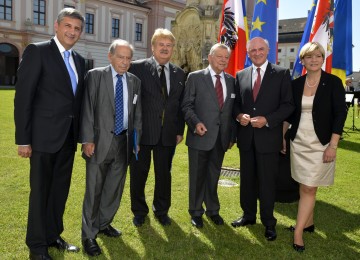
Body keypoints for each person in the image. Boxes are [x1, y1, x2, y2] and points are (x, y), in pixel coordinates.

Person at [14, 8, 85, 260]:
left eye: (77, 28)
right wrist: (23, 139)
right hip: (42, 139)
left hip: (67, 139)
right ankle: (36, 245)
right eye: (68, 26)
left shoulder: (78, 60)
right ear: (56, 26)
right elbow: (23, 98)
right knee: (41, 192)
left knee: (59, 191)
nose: (72, 32)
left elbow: (77, 102)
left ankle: (53, 235)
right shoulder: (38, 51)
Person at [80, 39, 142, 256]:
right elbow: (87, 109)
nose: (124, 62)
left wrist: (136, 142)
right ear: (110, 56)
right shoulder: (95, 76)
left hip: (123, 143)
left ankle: (104, 224)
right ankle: (89, 235)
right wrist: (87, 139)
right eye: (120, 57)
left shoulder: (134, 81)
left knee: (113, 188)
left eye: (128, 58)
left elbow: (138, 115)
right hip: (98, 143)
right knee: (94, 191)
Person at [284, 42, 347, 252]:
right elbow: (290, 114)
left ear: (323, 58)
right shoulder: (296, 84)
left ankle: (298, 232)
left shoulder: (333, 82)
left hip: (322, 144)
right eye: (309, 57)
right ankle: (308, 223)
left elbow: (340, 114)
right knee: (305, 185)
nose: (314, 60)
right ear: (302, 60)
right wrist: (283, 137)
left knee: (310, 187)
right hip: (299, 142)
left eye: (318, 56)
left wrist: (333, 146)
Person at [231, 37, 295, 241]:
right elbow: (236, 105)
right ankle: (248, 216)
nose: (256, 53)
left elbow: (288, 105)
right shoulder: (240, 75)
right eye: (252, 50)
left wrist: (267, 120)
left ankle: (269, 222)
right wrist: (239, 116)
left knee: (267, 183)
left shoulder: (282, 73)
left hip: (268, 138)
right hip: (247, 139)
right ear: (248, 53)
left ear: (268, 50)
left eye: (260, 49)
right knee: (247, 181)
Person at [128, 28, 185, 227]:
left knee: (164, 175)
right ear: (152, 47)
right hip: (142, 133)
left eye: (169, 45)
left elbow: (180, 105)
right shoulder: (136, 68)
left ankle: (161, 210)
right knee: (138, 174)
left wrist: (180, 130)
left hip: (168, 135)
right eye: (161, 44)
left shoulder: (179, 73)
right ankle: (139, 211)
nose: (165, 48)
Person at [182, 43, 236, 228]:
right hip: (200, 136)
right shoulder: (195, 78)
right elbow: (186, 106)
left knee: (213, 176)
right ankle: (196, 212)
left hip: (221, 139)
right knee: (197, 177)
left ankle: (213, 210)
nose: (223, 60)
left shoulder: (231, 80)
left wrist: (231, 136)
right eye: (219, 56)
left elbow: (231, 111)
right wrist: (196, 123)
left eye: (226, 57)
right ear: (210, 57)